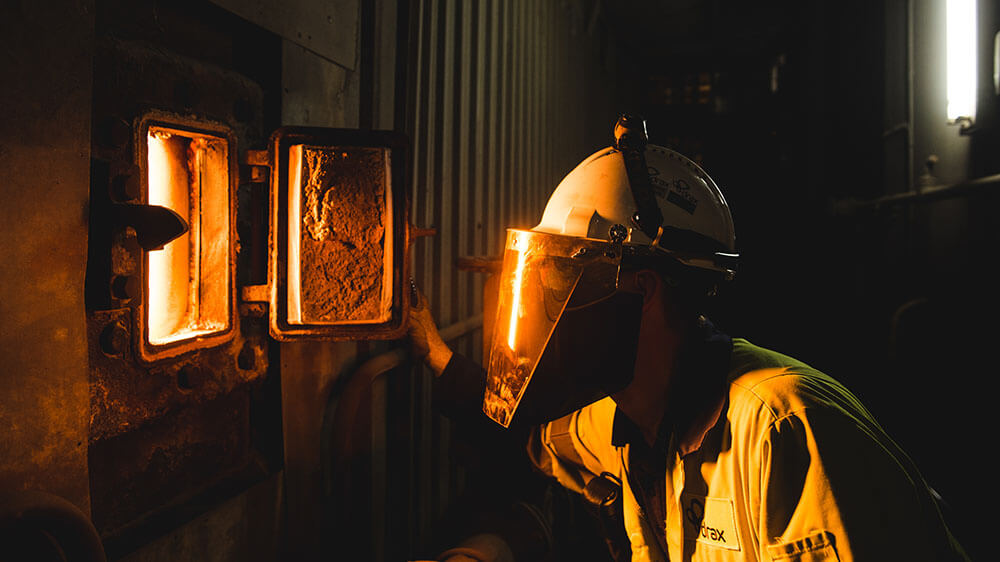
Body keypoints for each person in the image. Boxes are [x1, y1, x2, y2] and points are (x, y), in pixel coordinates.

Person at [408, 115, 968, 561]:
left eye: (565, 281)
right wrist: (433, 351)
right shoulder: (627, 418)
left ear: (643, 290)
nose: (549, 310)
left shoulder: (784, 431)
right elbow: (533, 436)